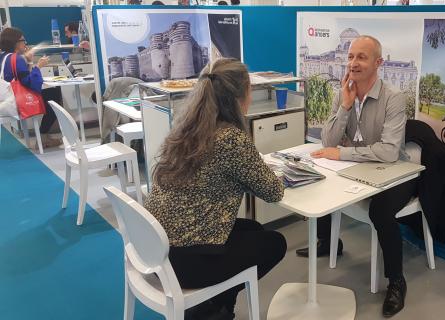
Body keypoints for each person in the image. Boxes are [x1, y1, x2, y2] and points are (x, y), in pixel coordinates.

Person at [144, 59, 287, 320]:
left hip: (155, 248)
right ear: (241, 94)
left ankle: (217, 307)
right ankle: (214, 309)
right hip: (184, 261)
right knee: (275, 243)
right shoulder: (230, 138)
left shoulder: (188, 127)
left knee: (253, 230)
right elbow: (274, 191)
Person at [296, 35, 411, 317]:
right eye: (350, 57)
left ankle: (396, 280)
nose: (353, 63)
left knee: (381, 212)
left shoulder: (394, 98)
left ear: (378, 63)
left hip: (396, 172)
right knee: (318, 176)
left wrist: (343, 154)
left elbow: (388, 152)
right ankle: (329, 242)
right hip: (359, 166)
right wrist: (346, 107)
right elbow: (328, 141)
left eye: (361, 57)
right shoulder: (343, 93)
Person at [0, 27, 62, 148]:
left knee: (51, 94)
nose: (25, 43)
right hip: (16, 101)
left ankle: (44, 137)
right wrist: (38, 66)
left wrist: (29, 62)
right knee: (54, 95)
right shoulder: (16, 59)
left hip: (5, 99)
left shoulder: (4, 57)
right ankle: (43, 138)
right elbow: (32, 84)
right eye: (23, 40)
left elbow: (20, 77)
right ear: (15, 42)